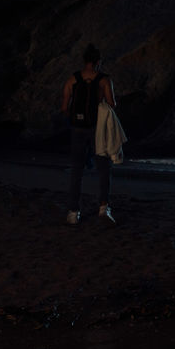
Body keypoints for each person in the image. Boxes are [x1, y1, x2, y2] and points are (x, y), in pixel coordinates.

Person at [62, 43, 118, 224]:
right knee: (104, 169)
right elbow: (112, 104)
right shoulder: (104, 80)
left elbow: (64, 107)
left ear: (84, 61)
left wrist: (75, 117)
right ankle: (103, 208)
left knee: (76, 170)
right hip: (97, 129)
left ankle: (73, 212)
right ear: (98, 62)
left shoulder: (72, 79)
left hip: (78, 128)